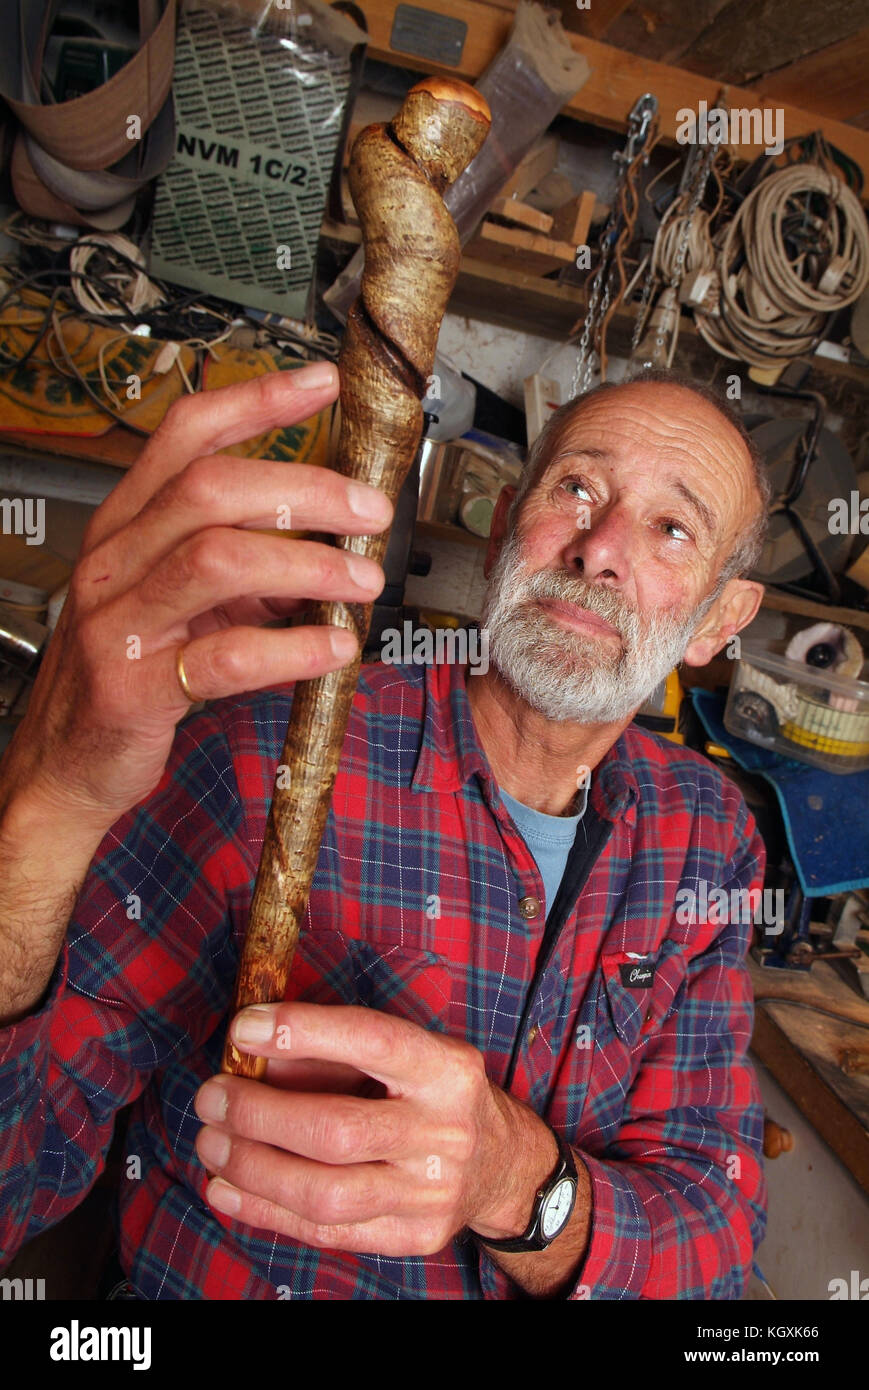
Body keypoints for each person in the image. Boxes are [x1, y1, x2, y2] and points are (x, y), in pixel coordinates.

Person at [0, 364, 770, 1300]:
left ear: (717, 620)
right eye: (575, 487)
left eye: (671, 528)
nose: (599, 549)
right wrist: (50, 797)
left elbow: (712, 1244)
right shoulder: (265, 749)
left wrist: (512, 1180)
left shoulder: (706, 832)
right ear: (501, 533)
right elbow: (20, 1165)